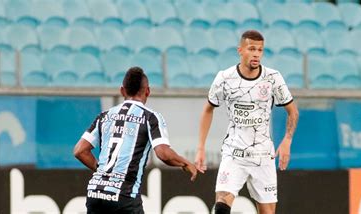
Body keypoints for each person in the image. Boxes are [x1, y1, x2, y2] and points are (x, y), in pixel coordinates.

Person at [195, 30, 299, 214]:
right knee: (221, 205)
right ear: (240, 50)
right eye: (252, 49)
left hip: (263, 155)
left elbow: (293, 111)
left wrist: (287, 140)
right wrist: (200, 147)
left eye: (260, 50)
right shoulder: (225, 78)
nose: (257, 54)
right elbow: (208, 109)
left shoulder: (272, 78)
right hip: (233, 153)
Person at [74, 67, 199, 213]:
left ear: (122, 91)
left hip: (95, 193)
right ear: (148, 91)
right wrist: (185, 162)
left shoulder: (105, 116)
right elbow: (163, 153)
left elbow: (80, 150)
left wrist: (103, 172)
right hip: (124, 195)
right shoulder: (150, 117)